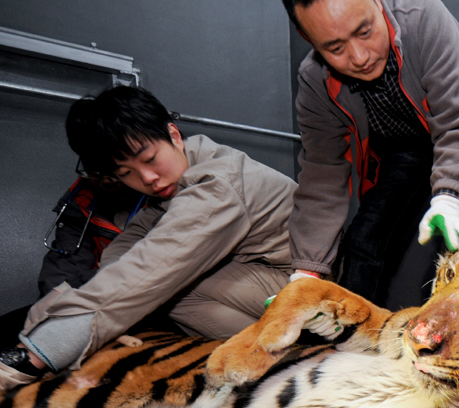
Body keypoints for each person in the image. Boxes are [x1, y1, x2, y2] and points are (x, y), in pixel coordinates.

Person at [0, 86, 297, 391]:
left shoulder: (217, 185)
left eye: (150, 158)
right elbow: (127, 247)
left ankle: (294, 354)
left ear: (174, 135)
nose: (147, 179)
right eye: (126, 172)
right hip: (267, 283)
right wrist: (71, 299)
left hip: (307, 290)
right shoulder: (180, 176)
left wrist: (36, 354)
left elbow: (152, 265)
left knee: (163, 282)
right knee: (151, 281)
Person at [284, 0, 459, 307]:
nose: (360, 57)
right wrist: (306, 273)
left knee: (451, 250)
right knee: (362, 245)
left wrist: (447, 198)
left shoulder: (424, 19)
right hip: (399, 157)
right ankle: (352, 342)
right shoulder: (315, 79)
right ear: (308, 39)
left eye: (365, 31)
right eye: (336, 49)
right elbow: (321, 174)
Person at [0, 176, 145, 350]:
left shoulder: (163, 193)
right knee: (7, 330)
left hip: (144, 298)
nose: (105, 179)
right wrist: (55, 301)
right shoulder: (82, 197)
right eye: (94, 169)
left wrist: (71, 287)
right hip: (91, 297)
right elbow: (65, 262)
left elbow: (146, 266)